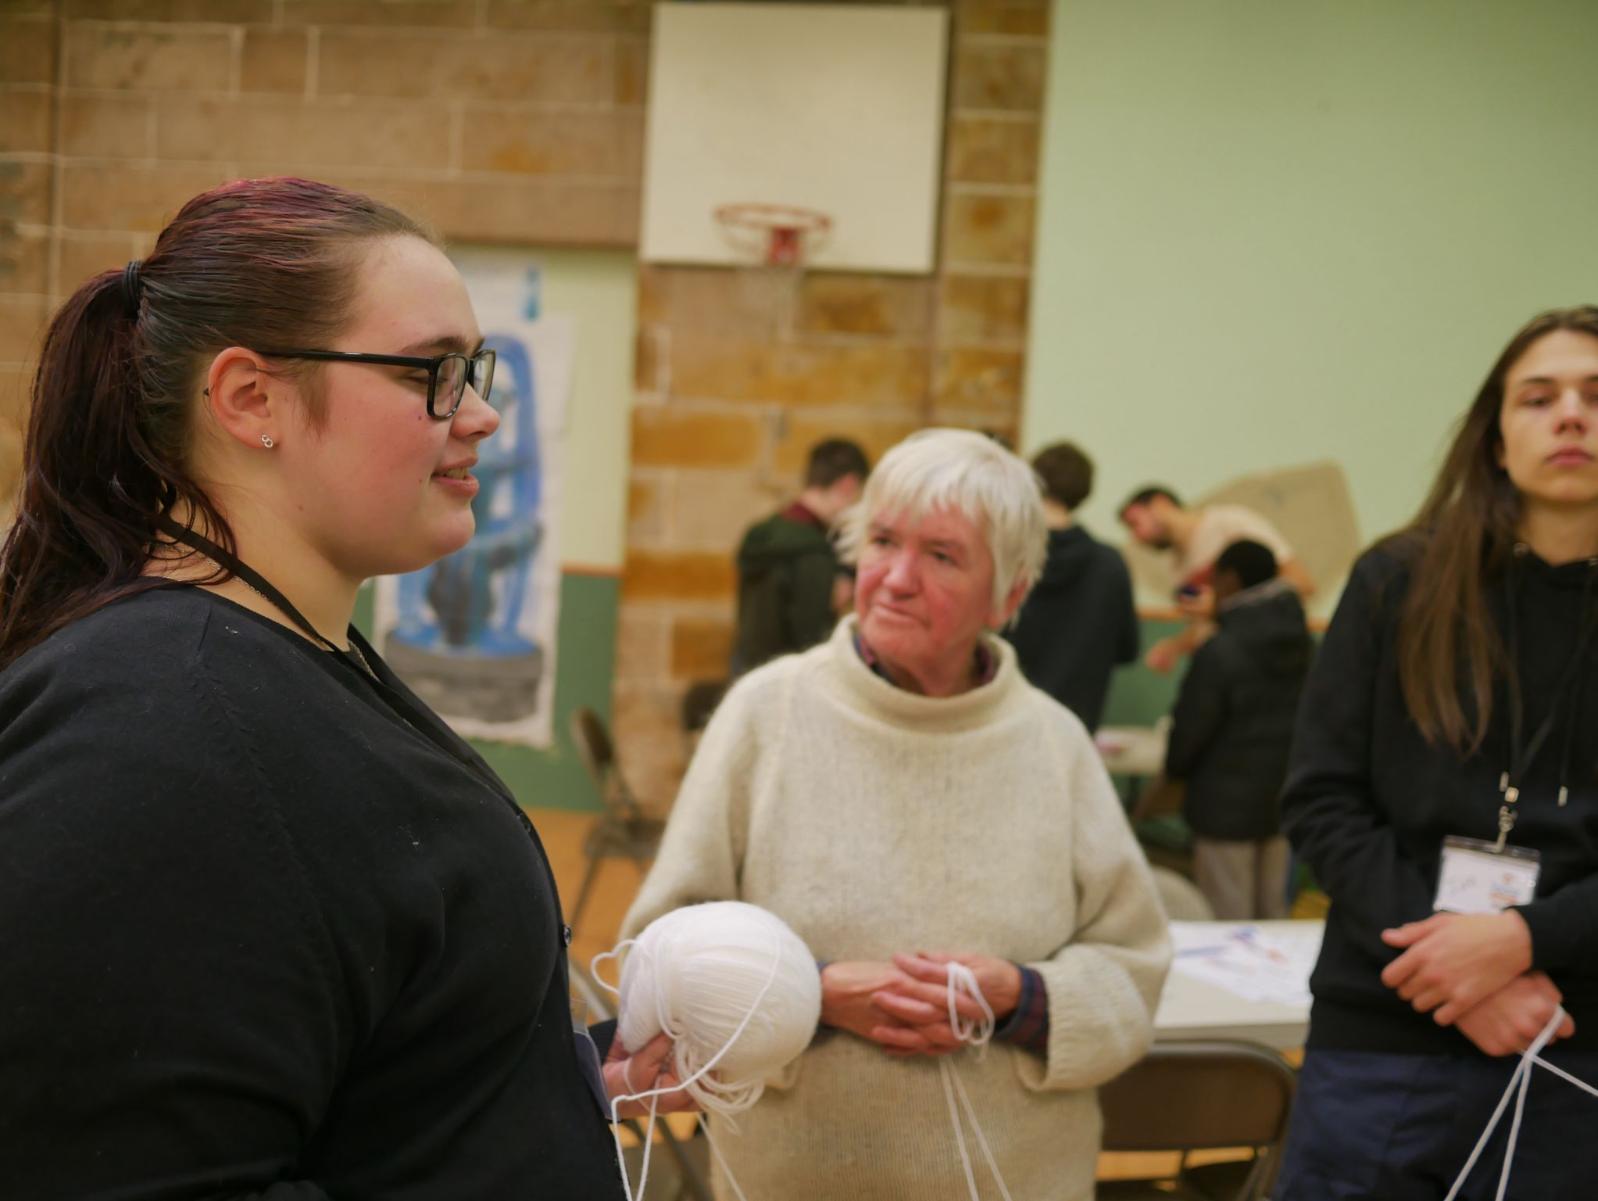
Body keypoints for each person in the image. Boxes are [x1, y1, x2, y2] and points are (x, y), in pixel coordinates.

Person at [0, 177, 690, 1199]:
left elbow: (328, 1064)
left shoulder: (274, 660)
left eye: (474, 368)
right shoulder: (160, 734)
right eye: (432, 374)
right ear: (250, 400)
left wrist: (531, 1079)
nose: (485, 416)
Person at [623, 428, 1171, 1200]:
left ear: (1009, 596)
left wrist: (1020, 997)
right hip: (798, 1176)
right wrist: (813, 993)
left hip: (1016, 1176)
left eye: (942, 555)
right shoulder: (766, 713)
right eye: (882, 540)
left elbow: (1134, 969)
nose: (895, 579)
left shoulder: (1054, 742)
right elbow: (659, 952)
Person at [1274, 307, 1598, 1200]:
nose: (1571, 415)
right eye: (1539, 397)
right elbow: (1322, 802)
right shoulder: (1396, 583)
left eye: (1597, 395)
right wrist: (1463, 970)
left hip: (1574, 1031)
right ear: (1496, 439)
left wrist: (1523, 940)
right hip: (1383, 1027)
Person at [1162, 539, 1312, 919]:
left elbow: (1192, 728)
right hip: (1283, 796)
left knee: (1226, 919)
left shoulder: (1223, 647)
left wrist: (1173, 774)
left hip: (1223, 805)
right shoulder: (1305, 642)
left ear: (1229, 579)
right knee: (1273, 914)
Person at [1006, 440, 1139, 732]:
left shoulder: (1011, 555)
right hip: (1076, 727)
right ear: (1084, 493)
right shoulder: (1111, 564)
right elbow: (1128, 649)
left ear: (1031, 481)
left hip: (1007, 720)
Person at [1119, 484, 1312, 672]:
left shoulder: (1230, 523)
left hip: (1265, 668)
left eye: (1135, 523)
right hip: (1222, 670)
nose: (1136, 537)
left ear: (1161, 503)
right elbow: (1208, 624)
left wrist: (1220, 606)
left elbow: (1301, 584)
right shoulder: (1176, 566)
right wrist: (1175, 646)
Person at [730, 436, 869, 674]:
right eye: (858, 496)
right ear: (847, 485)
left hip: (748, 670)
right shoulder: (813, 553)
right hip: (787, 680)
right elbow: (811, 642)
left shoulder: (765, 532)